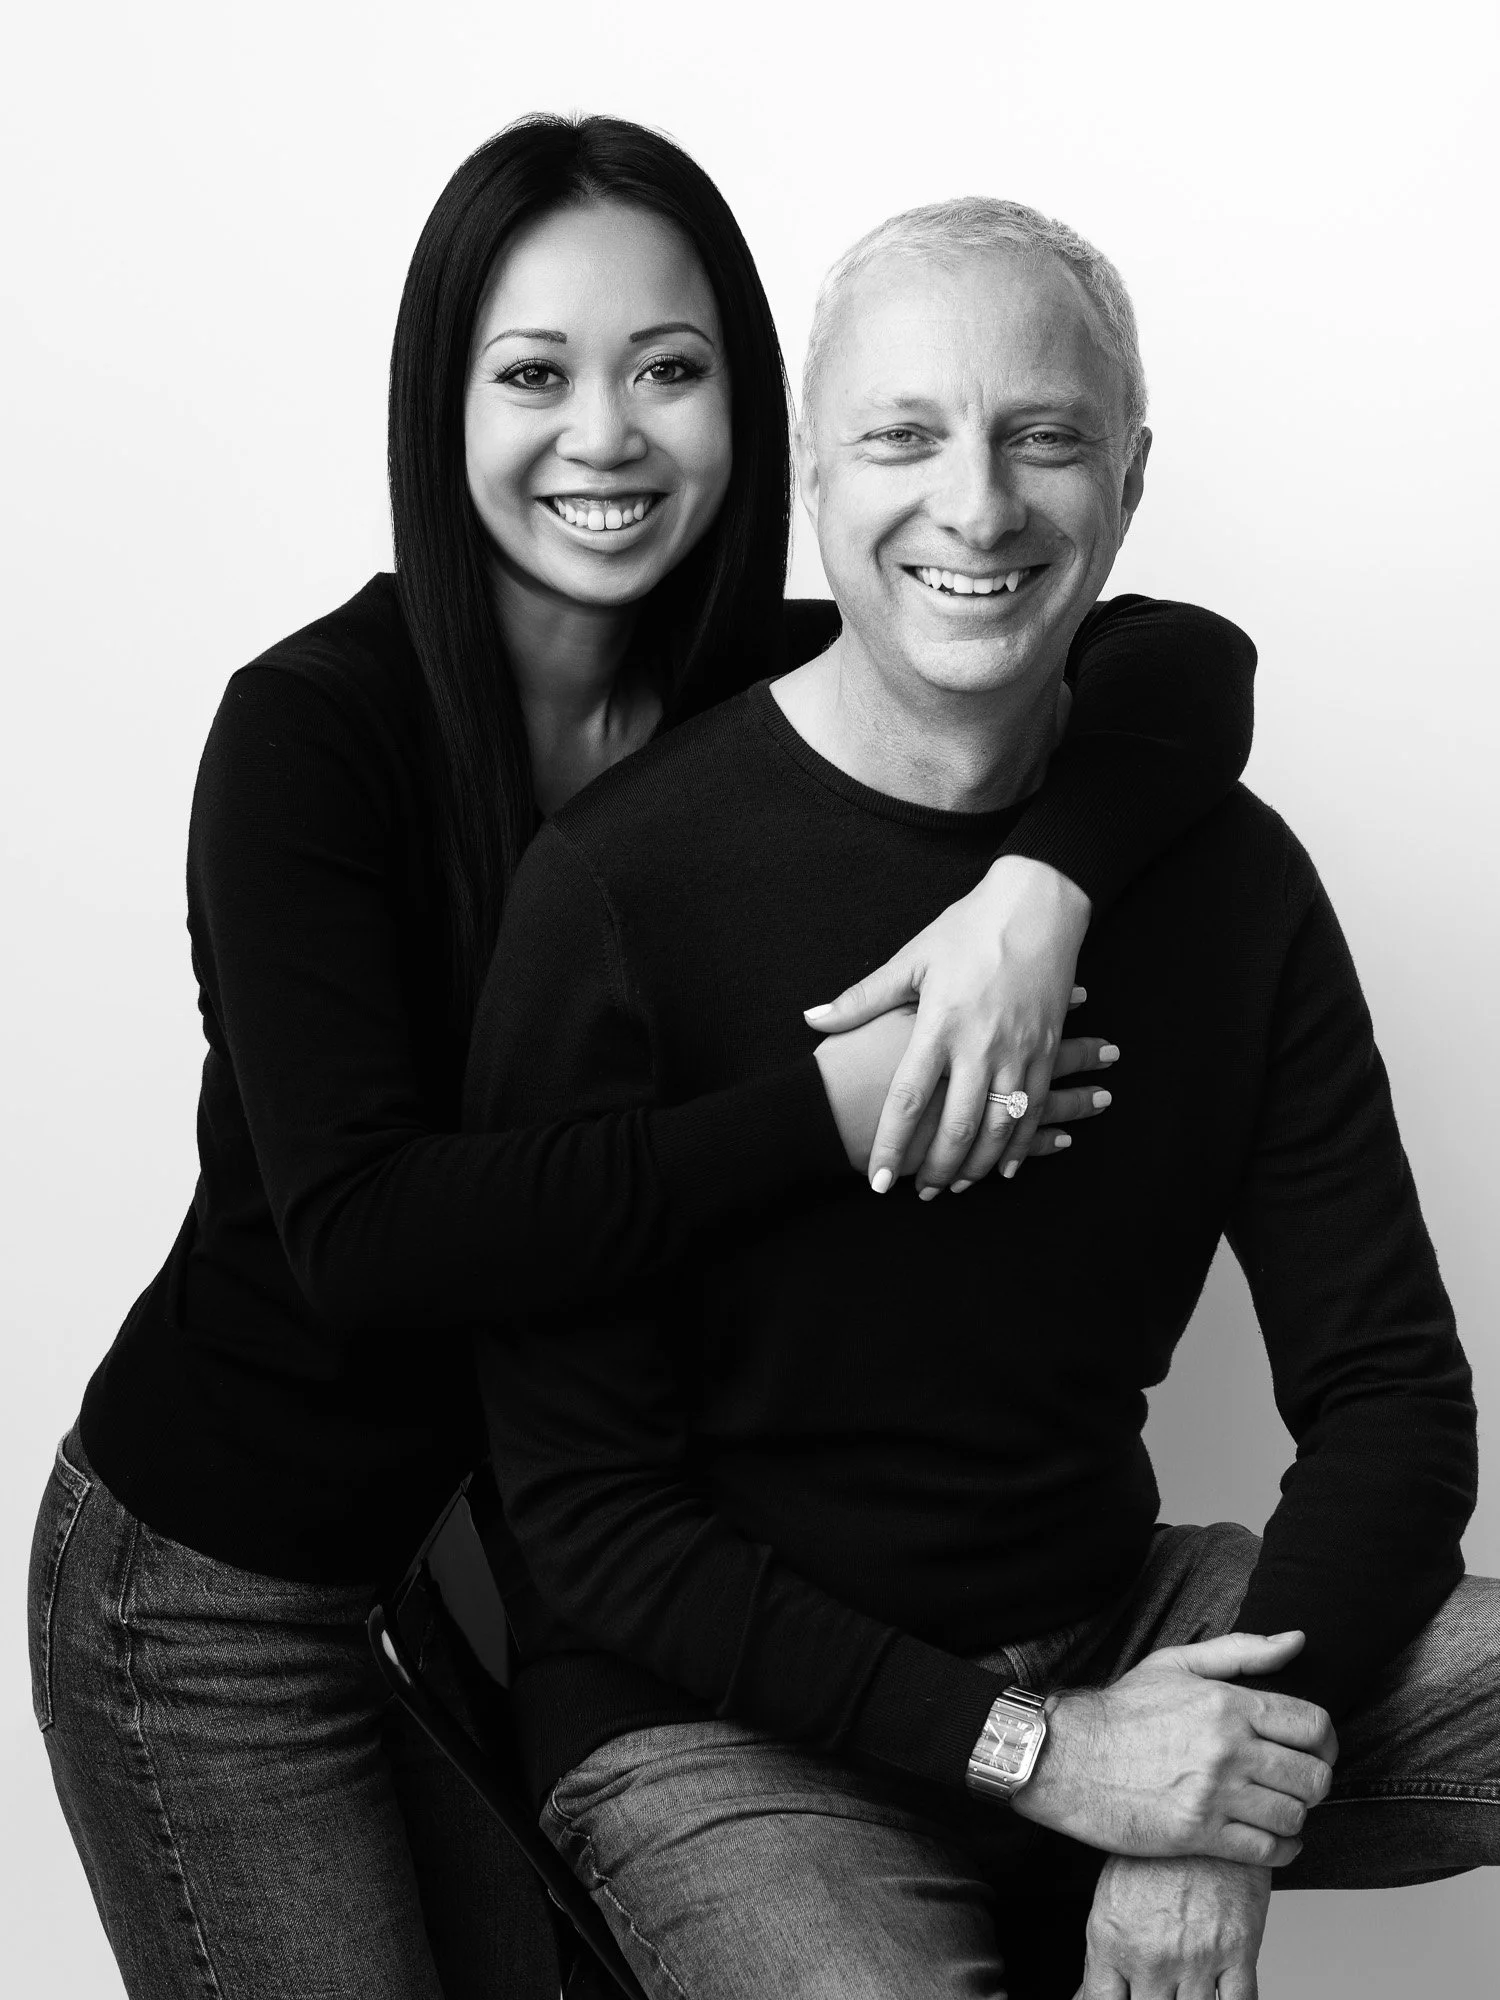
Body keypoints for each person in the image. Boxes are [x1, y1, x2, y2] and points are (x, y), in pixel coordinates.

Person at [26, 121, 1260, 2000]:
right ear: (438, 409)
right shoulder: (309, 741)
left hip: (541, 1588)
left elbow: (1184, 657)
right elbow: (372, 1237)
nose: (603, 437)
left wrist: (1041, 889)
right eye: (534, 376)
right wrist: (827, 1118)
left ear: (752, 411)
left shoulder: (744, 694)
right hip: (228, 1591)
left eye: (668, 373)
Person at [465, 194, 1495, 2000]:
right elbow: (591, 1525)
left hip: (1122, 1625)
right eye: (906, 434)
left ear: (1135, 475)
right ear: (810, 474)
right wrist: (1049, 1760)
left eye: (1046, 435)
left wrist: (1207, 1794)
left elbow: (1395, 1391)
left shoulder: (1221, 876)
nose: (980, 503)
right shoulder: (625, 890)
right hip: (724, 1726)